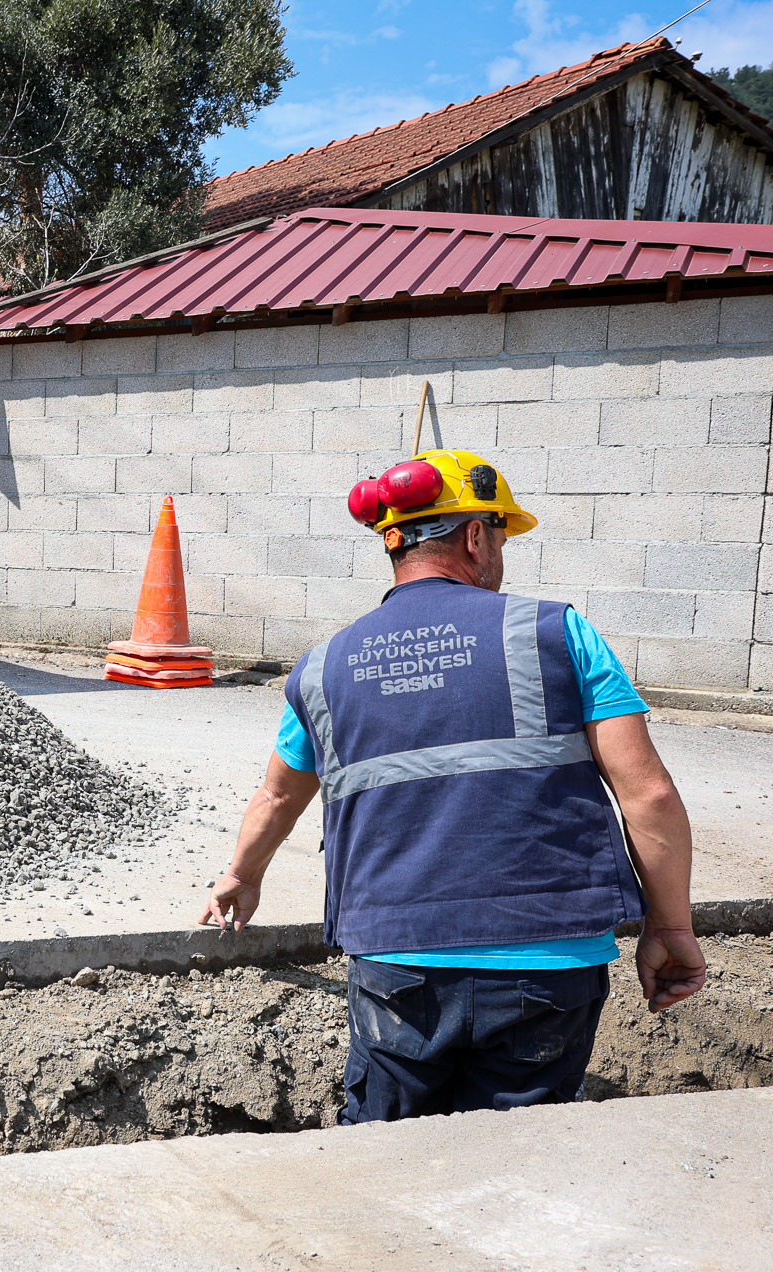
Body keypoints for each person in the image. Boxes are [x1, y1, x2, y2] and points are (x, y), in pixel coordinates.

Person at [200, 449, 705, 1123]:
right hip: (547, 963)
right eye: (499, 534)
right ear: (474, 536)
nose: (500, 551)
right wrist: (668, 924)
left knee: (387, 1161)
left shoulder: (322, 668)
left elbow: (278, 795)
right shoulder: (555, 633)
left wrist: (241, 873)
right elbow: (650, 794)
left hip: (396, 961)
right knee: (514, 1166)